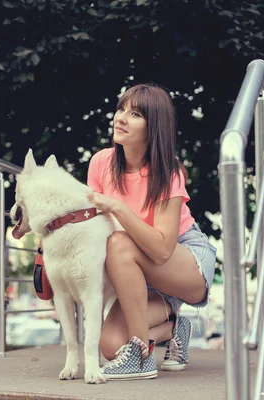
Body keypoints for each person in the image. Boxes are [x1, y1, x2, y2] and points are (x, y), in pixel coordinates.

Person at [86, 83, 217, 380]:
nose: (120, 118)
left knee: (119, 243)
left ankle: (142, 358)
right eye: (121, 109)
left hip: (183, 260)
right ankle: (175, 326)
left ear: (154, 127)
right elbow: (94, 225)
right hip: (139, 269)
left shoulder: (167, 172)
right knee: (110, 346)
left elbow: (161, 249)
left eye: (134, 114)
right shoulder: (101, 163)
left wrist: (118, 209)